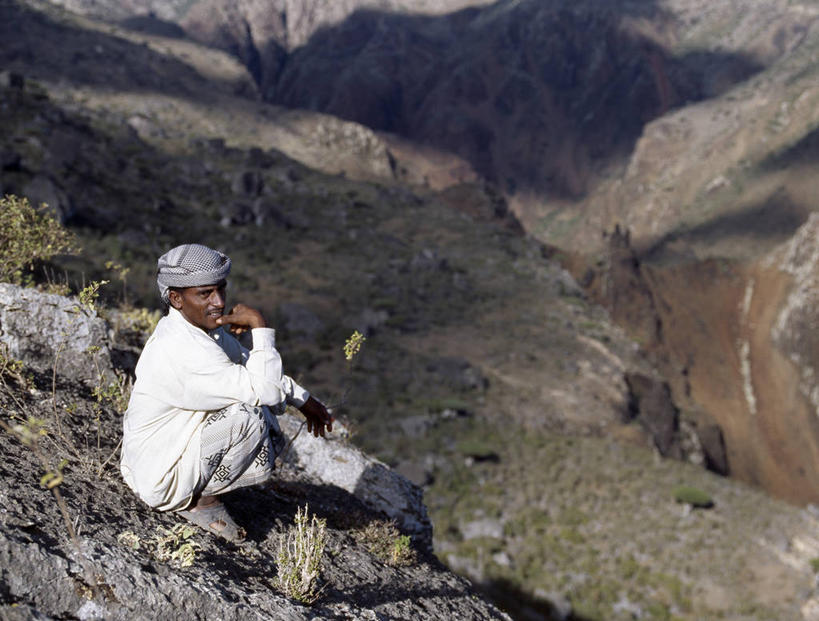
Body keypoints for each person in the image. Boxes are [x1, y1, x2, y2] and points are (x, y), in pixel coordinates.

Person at [120, 243, 333, 542]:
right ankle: (199, 503)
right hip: (160, 479)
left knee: (258, 408)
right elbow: (266, 391)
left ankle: (200, 489)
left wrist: (303, 398)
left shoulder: (201, 331)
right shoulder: (181, 348)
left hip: (162, 458)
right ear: (176, 298)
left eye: (221, 289)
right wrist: (259, 327)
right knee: (248, 414)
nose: (219, 302)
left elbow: (250, 366)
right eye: (205, 294)